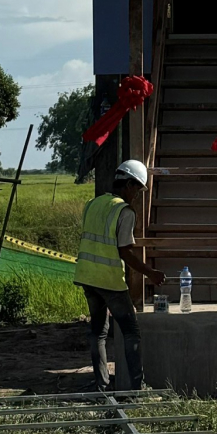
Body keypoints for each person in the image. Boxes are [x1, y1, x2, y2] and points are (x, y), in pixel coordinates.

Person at [74, 159, 165, 391]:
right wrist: (150, 273)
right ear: (129, 185)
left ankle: (101, 385)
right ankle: (136, 387)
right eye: (138, 189)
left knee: (98, 332)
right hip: (109, 280)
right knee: (131, 331)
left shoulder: (93, 204)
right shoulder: (124, 211)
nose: (137, 195)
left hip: (86, 277)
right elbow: (125, 252)